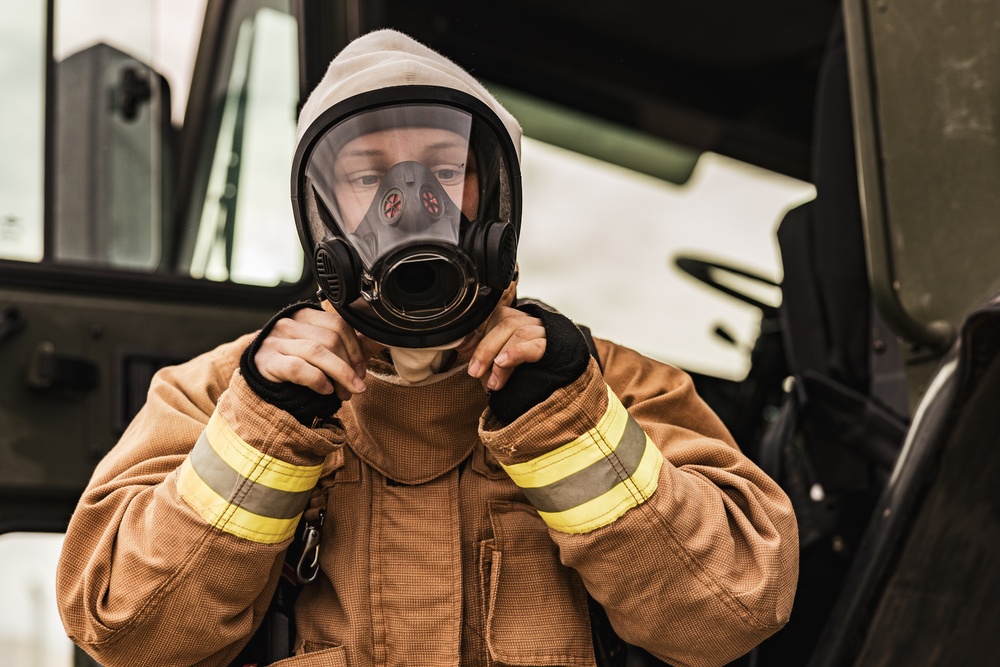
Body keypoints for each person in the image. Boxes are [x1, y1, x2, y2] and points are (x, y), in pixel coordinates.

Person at [56, 29, 798, 667]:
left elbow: (731, 613)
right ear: (321, 213)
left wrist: (571, 424)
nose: (414, 204)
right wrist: (265, 429)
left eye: (446, 170)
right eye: (366, 175)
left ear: (496, 195)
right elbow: (125, 632)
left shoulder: (614, 390)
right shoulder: (220, 396)